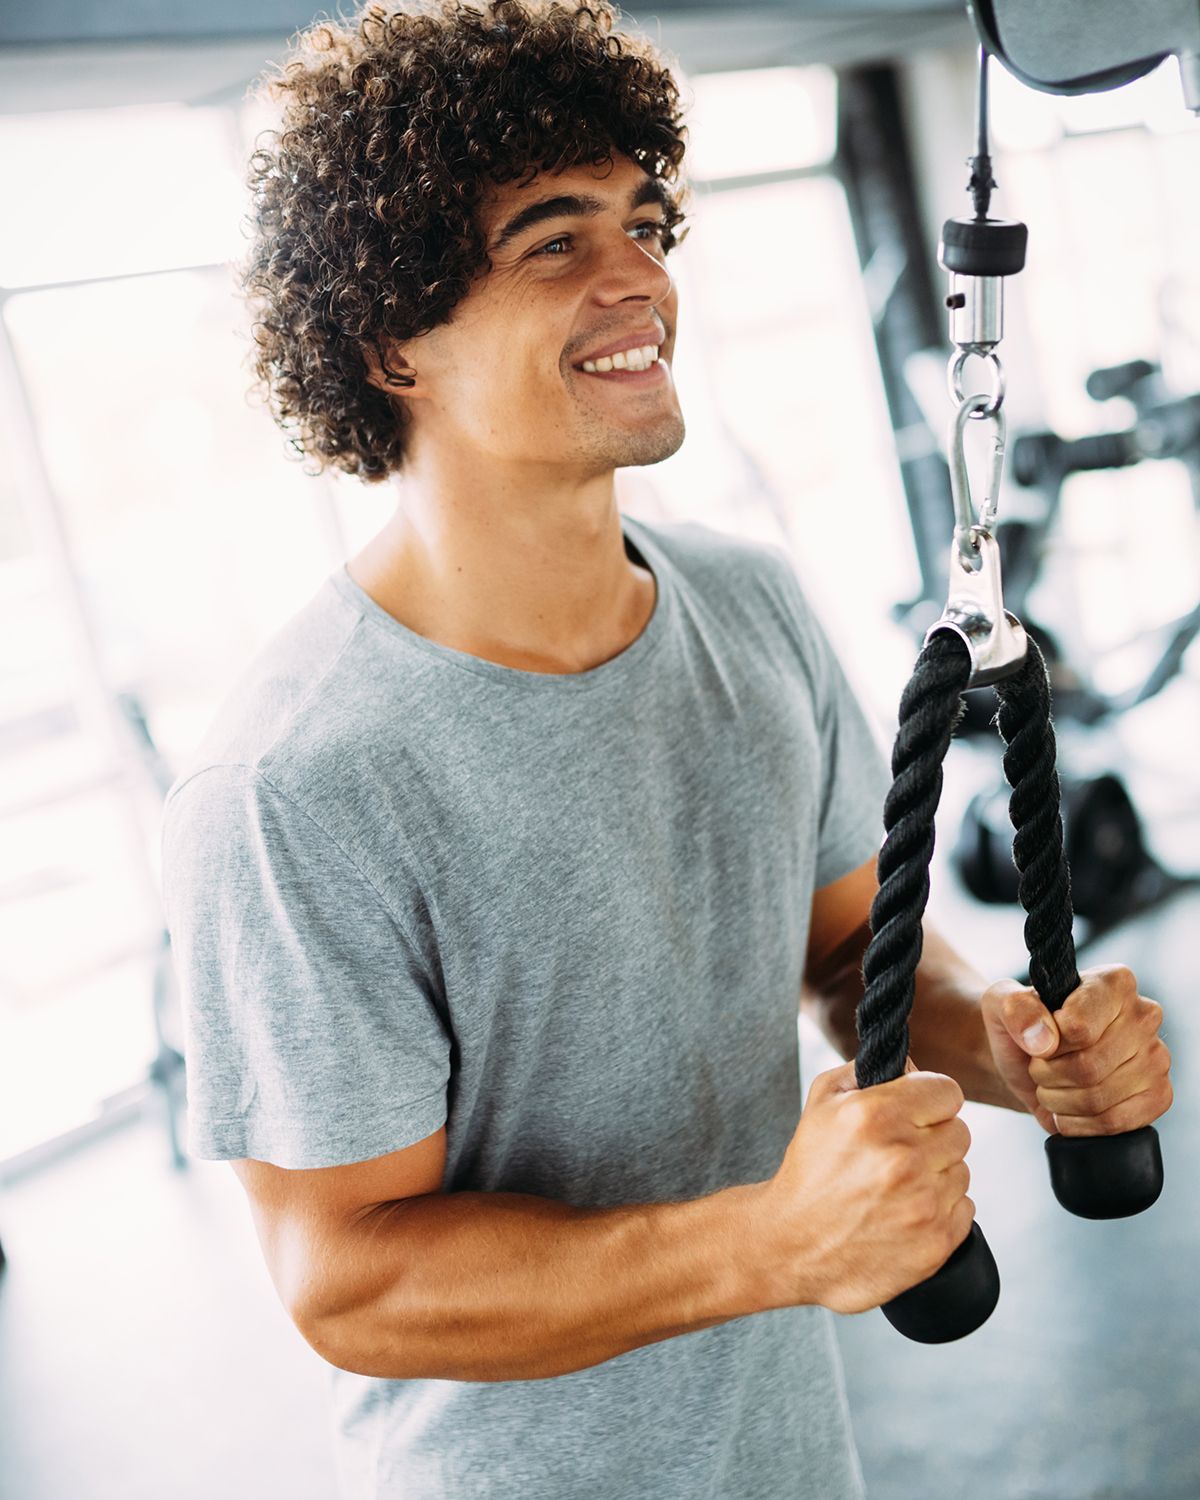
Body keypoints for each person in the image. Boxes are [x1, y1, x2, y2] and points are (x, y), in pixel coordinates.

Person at [159, 2, 1175, 1496]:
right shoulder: (293, 786)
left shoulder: (750, 607)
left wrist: (1020, 1053)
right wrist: (767, 1244)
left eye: (643, 222)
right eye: (552, 242)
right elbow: (352, 1282)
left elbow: (855, 955)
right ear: (390, 341)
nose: (639, 275)